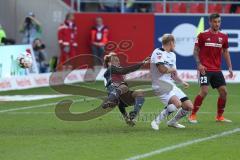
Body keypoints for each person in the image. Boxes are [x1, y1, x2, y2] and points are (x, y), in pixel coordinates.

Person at [189, 13, 233, 123]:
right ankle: (192, 115)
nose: (217, 24)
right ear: (210, 22)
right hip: (205, 69)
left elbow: (226, 52)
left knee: (224, 92)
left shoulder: (224, 36)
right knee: (204, 91)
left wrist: (230, 67)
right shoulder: (202, 35)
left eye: (219, 22)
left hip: (217, 69)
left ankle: (219, 116)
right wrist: (199, 64)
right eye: (215, 22)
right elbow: (195, 51)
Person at [150, 34, 193, 130]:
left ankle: (172, 122)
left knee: (188, 106)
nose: (175, 45)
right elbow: (161, 69)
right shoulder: (158, 52)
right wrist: (171, 69)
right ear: (170, 43)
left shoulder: (173, 55)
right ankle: (156, 121)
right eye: (174, 43)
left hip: (170, 84)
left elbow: (174, 73)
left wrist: (182, 81)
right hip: (159, 84)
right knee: (177, 104)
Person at [102, 52, 149, 126]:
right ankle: (110, 101)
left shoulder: (117, 72)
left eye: (118, 61)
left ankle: (134, 113)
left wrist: (143, 62)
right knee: (123, 87)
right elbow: (125, 70)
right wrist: (142, 63)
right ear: (110, 63)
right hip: (114, 94)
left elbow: (126, 71)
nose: (119, 62)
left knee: (140, 92)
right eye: (116, 61)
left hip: (121, 96)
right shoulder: (111, 69)